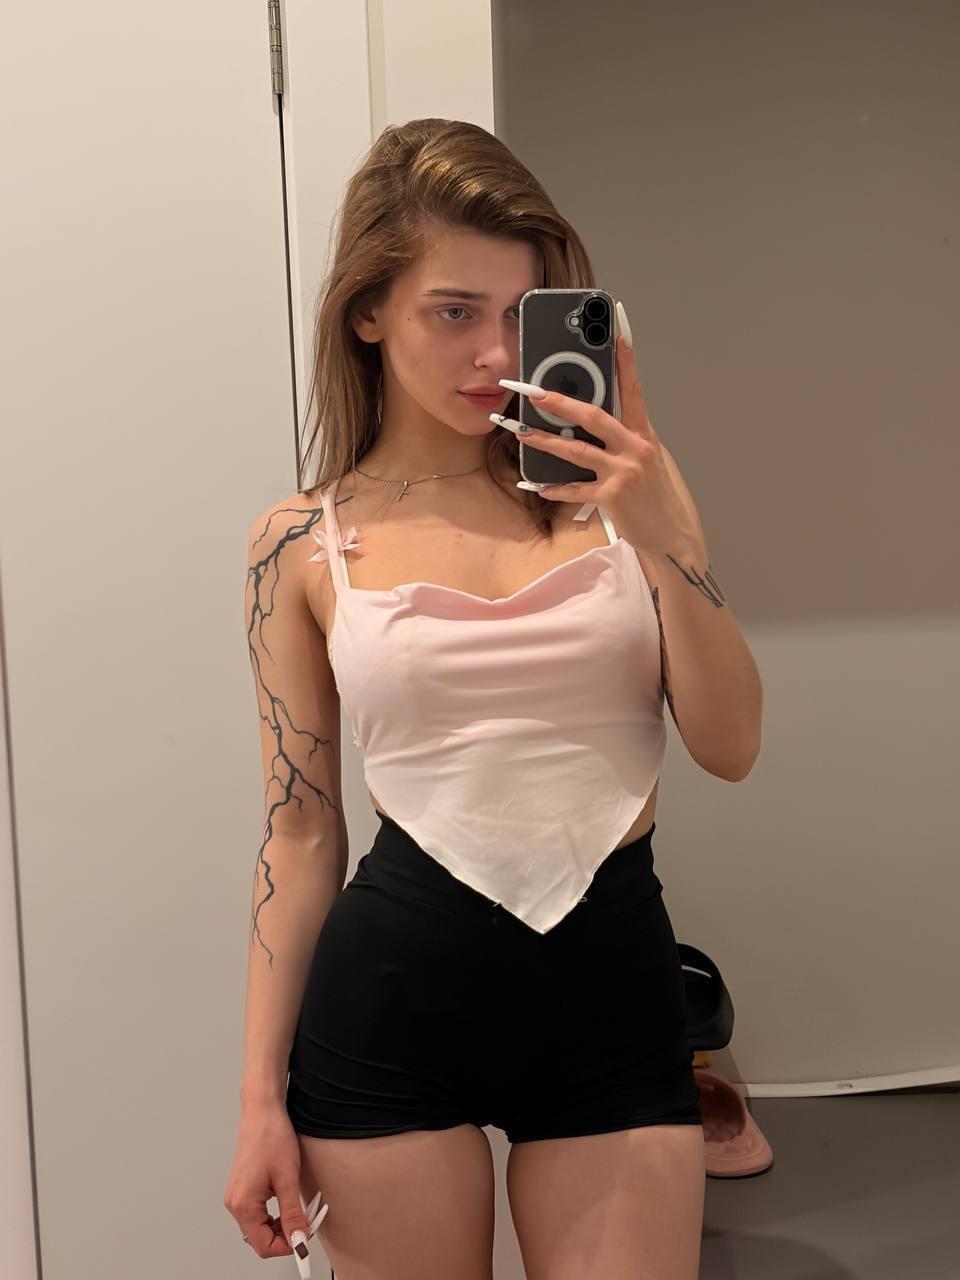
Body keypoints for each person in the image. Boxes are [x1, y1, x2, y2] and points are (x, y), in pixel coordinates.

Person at [225, 118, 755, 1280]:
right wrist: (259, 1098)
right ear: (369, 311)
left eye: (522, 313)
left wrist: (665, 536)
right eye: (453, 311)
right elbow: (301, 830)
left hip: (614, 995)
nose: (495, 353)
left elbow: (731, 743)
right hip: (390, 1006)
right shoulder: (299, 542)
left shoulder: (622, 498)